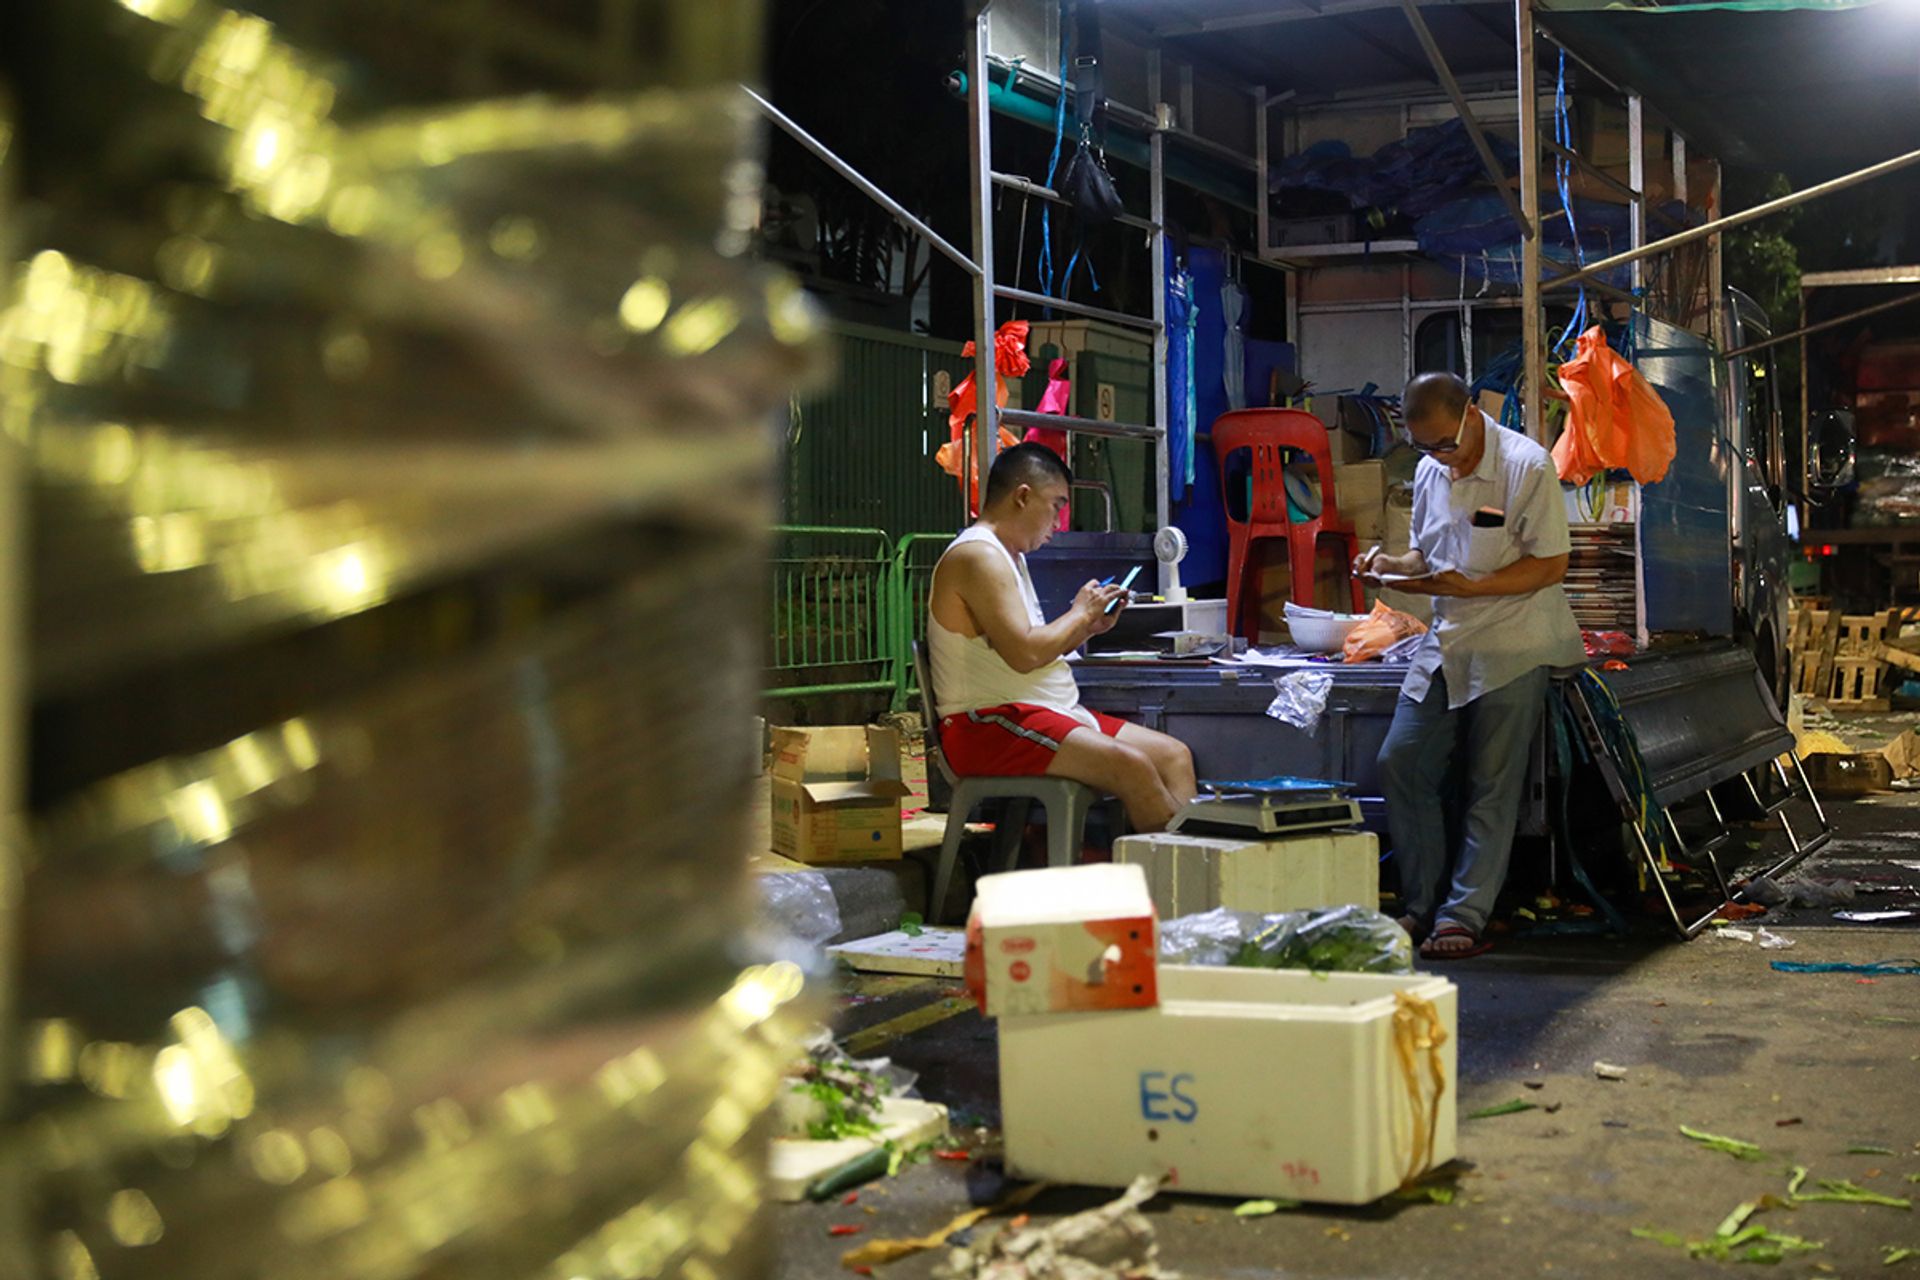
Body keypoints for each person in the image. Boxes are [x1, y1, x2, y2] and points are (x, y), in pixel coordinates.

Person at [1355, 373, 1584, 959]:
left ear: (1472, 417)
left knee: (1492, 783)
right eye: (1423, 449)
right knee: (1400, 761)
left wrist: (1472, 587)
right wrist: (1389, 563)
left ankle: (1464, 914)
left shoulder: (1526, 466)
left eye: (1445, 446)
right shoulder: (1433, 469)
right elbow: (1426, 555)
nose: (1438, 460)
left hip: (1515, 640)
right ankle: (1421, 904)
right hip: (1449, 640)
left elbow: (1551, 565)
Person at [928, 442, 1197, 831]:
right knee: (1132, 766)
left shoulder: (1009, 555)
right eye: (1056, 505)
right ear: (1022, 496)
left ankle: (1190, 869)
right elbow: (1024, 653)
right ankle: (1179, 880)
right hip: (987, 723)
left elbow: (1030, 646)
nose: (1059, 521)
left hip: (1042, 712)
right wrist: (1078, 613)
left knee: (1173, 756)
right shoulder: (978, 555)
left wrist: (1087, 625)